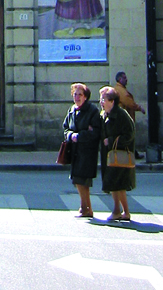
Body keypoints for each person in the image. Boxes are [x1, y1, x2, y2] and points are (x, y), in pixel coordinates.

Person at [62, 81, 101, 218]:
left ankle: (86, 208)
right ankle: (85, 207)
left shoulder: (92, 111)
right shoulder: (72, 110)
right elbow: (66, 127)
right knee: (77, 180)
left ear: (86, 96)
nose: (76, 97)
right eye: (75, 94)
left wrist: (80, 135)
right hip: (75, 151)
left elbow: (96, 132)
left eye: (79, 94)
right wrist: (71, 135)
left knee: (83, 180)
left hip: (87, 151)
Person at [99, 85, 136, 222]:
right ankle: (125, 212)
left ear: (112, 101)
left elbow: (130, 135)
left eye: (104, 99)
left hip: (118, 154)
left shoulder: (121, 115)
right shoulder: (104, 115)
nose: (101, 102)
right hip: (109, 155)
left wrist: (112, 140)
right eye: (101, 99)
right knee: (117, 184)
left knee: (116, 183)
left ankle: (117, 211)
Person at [113, 70, 146, 158]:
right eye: (124, 78)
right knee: (128, 136)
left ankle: (133, 153)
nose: (126, 79)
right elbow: (129, 102)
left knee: (128, 137)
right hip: (125, 119)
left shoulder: (119, 89)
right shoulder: (121, 90)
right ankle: (132, 154)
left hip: (124, 118)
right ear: (119, 79)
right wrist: (139, 108)